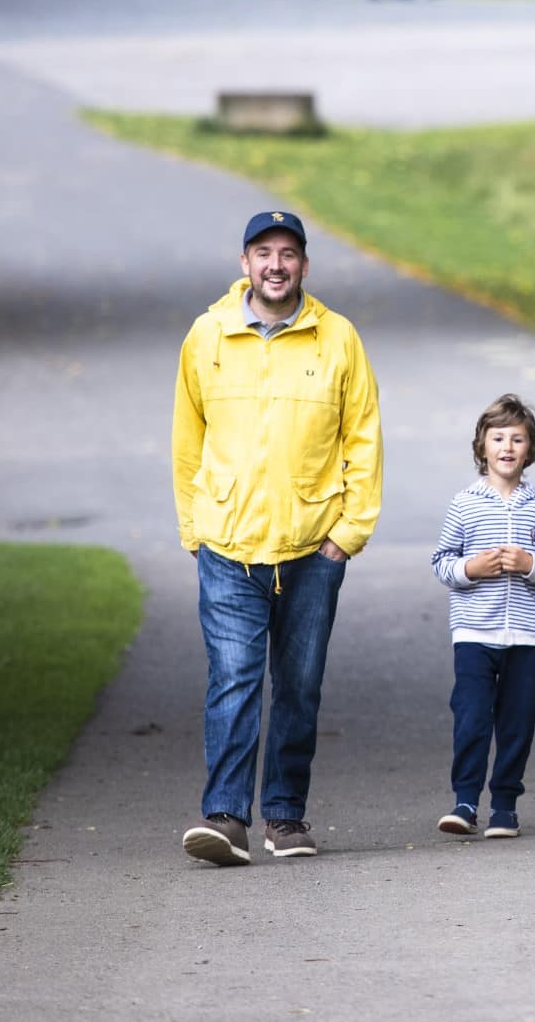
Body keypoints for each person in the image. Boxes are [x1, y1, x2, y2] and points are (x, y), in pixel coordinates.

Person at [173, 210, 383, 865]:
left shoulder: (337, 338)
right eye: (262, 252)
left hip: (313, 548)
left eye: (287, 253)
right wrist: (196, 529)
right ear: (244, 263)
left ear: (304, 266)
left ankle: (285, 817)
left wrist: (347, 534)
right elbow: (188, 440)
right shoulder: (207, 336)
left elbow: (363, 439)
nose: (275, 264)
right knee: (232, 677)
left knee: (298, 684)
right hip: (229, 545)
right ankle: (226, 817)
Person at [431, 394, 535, 839]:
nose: (507, 447)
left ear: (530, 449)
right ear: (482, 447)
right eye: (498, 438)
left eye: (517, 439)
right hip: (473, 632)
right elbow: (441, 562)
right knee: (471, 717)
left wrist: (530, 564)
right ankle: (466, 801)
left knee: (517, 722)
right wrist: (471, 569)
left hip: (527, 637)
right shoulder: (465, 503)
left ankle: (505, 805)